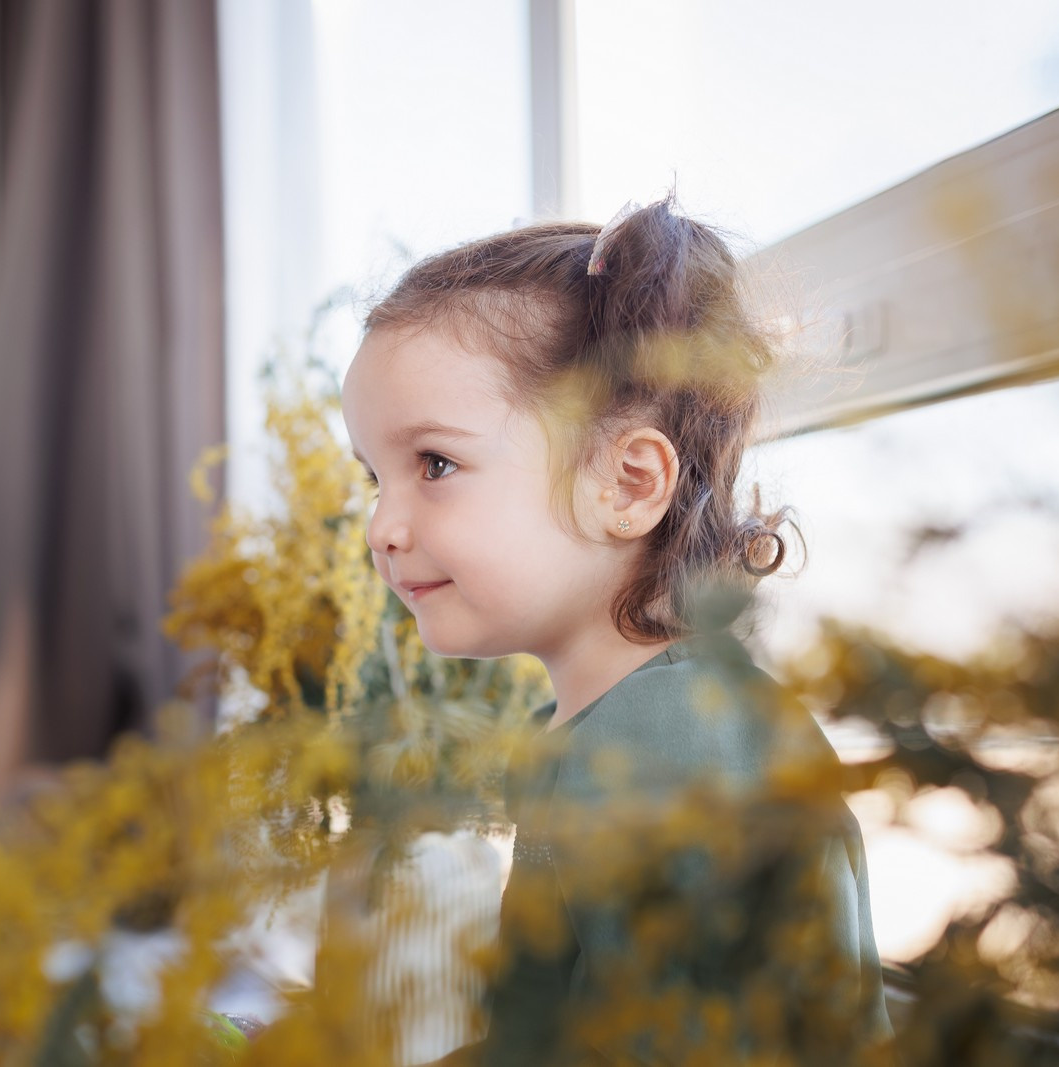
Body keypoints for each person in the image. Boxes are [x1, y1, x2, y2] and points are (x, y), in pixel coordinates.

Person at [340, 196, 893, 1065]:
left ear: (629, 483)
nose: (381, 526)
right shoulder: (624, 727)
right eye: (375, 476)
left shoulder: (675, 751)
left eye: (435, 464)